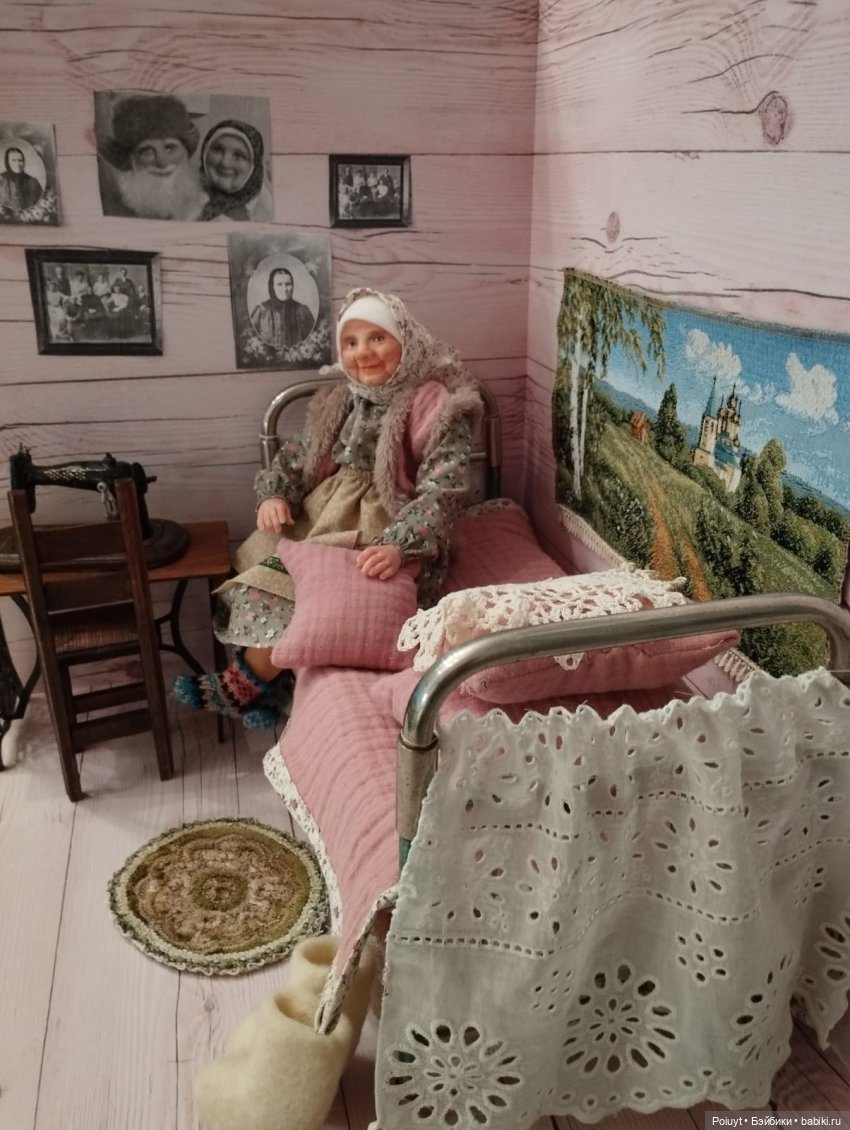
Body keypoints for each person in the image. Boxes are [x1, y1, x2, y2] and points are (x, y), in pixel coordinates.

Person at [173, 287, 482, 728]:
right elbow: (299, 455)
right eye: (350, 342)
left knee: (322, 600)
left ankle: (240, 687)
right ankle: (273, 687)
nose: (363, 353)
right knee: (259, 578)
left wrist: (401, 545)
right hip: (326, 508)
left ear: (407, 342)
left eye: (378, 338)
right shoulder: (341, 400)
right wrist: (276, 493)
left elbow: (442, 492)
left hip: (386, 521)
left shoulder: (435, 405)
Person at [97, 93, 208, 220]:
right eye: (147, 151)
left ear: (185, 152)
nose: (162, 162)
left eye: (170, 148)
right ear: (131, 160)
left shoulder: (208, 209)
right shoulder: (114, 212)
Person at [199, 119, 269, 221]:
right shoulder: (183, 196)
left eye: (238, 155)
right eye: (218, 150)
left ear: (254, 166)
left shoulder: (266, 209)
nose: (225, 163)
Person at [249, 267, 315, 350]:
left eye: (288, 284)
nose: (285, 289)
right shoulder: (261, 311)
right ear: (272, 287)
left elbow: (312, 340)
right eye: (279, 284)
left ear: (293, 286)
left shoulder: (303, 311)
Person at [0, 146, 43, 218]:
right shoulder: (1, 180)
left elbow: (39, 204)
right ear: (7, 162)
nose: (18, 164)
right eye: (13, 160)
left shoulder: (33, 181)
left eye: (20, 160)